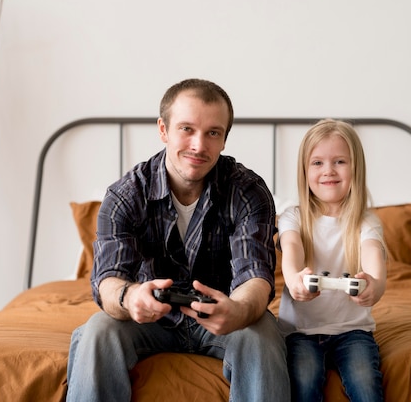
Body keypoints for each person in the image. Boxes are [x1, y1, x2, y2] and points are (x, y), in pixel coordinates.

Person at [66, 78, 290, 401]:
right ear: (163, 130)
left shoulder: (247, 191)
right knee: (98, 332)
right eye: (187, 129)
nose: (199, 145)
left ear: (224, 140)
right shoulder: (125, 195)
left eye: (213, 132)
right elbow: (107, 280)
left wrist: (239, 310)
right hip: (149, 317)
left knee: (263, 336)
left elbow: (256, 276)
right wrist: (131, 298)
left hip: (226, 315)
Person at [277, 119, 387, 402]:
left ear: (356, 169)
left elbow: (375, 261)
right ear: (304, 170)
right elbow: (291, 250)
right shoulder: (293, 217)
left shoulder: (366, 222)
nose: (328, 171)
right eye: (317, 163)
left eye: (340, 161)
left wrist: (373, 285)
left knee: (366, 384)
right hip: (300, 332)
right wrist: (294, 279)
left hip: (352, 331)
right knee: (303, 379)